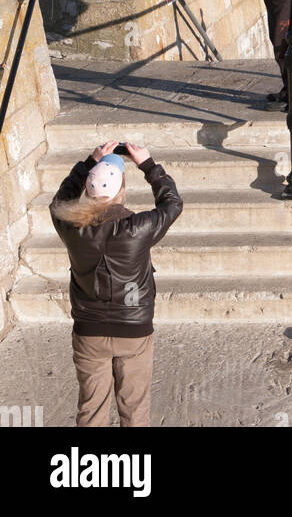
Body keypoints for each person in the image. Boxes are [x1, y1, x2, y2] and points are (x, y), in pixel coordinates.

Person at [50, 140, 183, 428]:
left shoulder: (73, 228)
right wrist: (148, 165)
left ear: (87, 189)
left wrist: (88, 163)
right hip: (133, 329)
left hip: (89, 330)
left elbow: (59, 203)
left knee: (91, 409)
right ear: (121, 191)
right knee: (135, 410)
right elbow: (172, 204)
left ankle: (93, 472)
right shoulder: (139, 228)